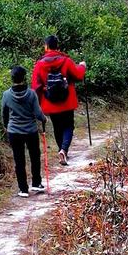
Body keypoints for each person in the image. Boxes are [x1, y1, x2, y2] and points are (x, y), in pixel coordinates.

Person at [32, 35, 87, 165]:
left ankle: (62, 151)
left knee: (57, 127)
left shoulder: (40, 64)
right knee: (68, 125)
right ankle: (64, 150)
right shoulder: (66, 61)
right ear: (57, 46)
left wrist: (37, 105)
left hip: (50, 102)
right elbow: (78, 75)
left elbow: (35, 86)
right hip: (67, 100)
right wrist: (82, 66)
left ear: (46, 47)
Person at [1, 66, 47, 197]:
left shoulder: (6, 95)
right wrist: (44, 119)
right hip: (31, 130)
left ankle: (23, 189)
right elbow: (38, 114)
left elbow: (4, 114)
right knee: (34, 157)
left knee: (19, 159)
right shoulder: (31, 94)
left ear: (12, 78)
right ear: (24, 77)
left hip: (14, 131)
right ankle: (36, 183)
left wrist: (6, 126)